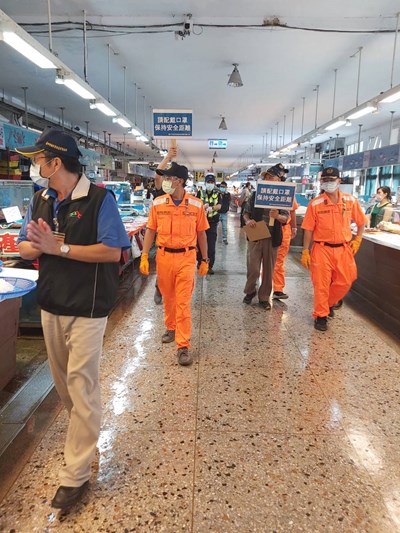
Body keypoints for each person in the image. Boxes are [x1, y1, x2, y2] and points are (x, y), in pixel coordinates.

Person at [16, 129, 130, 509]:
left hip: (88, 306)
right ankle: (85, 436)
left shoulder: (100, 200)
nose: (35, 166)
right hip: (51, 303)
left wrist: (58, 247)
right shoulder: (40, 199)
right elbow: (23, 244)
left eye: (38, 160)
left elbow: (113, 252)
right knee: (65, 386)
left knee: (81, 386)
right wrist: (39, 245)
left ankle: (75, 474)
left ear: (56, 162)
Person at [139, 161, 209, 366]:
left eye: (168, 178)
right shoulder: (158, 203)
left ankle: (183, 345)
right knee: (168, 297)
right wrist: (144, 255)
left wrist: (204, 259)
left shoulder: (196, 205)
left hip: (187, 258)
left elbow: (201, 233)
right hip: (163, 258)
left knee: (183, 302)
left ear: (179, 181)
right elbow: (151, 230)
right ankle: (170, 327)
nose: (165, 182)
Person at [301, 166, 366, 331]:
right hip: (322, 249)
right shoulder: (315, 203)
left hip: (344, 249)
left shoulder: (350, 201)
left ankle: (328, 303)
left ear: (339, 180)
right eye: (325, 180)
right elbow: (308, 229)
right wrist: (305, 250)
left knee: (346, 280)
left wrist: (358, 239)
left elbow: (361, 222)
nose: (328, 183)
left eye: (332, 180)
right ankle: (321, 315)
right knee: (321, 284)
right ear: (321, 182)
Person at [242, 167, 289, 310]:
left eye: (271, 177)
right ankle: (250, 291)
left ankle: (264, 297)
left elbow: (286, 217)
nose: (268, 179)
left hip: (273, 236)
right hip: (256, 232)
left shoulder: (283, 196)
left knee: (269, 270)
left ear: (279, 180)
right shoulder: (256, 194)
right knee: (253, 268)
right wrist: (248, 221)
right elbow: (246, 213)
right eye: (266, 177)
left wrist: (277, 216)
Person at [152, 146, 177, 304]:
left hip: (181, 242)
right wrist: (167, 157)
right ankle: (159, 287)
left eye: (171, 179)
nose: (168, 182)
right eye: (166, 179)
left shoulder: (183, 197)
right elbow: (157, 176)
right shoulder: (162, 194)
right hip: (163, 240)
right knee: (162, 269)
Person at [271, 164, 299, 300]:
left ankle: (277, 288)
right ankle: (266, 287)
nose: (281, 177)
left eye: (282, 174)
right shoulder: (265, 192)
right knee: (267, 259)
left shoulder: (288, 193)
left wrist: (294, 227)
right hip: (267, 229)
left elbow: (292, 211)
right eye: (279, 174)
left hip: (283, 230)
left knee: (279, 260)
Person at [197, 173, 222, 274]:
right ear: (205, 183)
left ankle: (209, 265)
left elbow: (220, 205)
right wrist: (202, 208)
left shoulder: (217, 193)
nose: (210, 184)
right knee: (200, 244)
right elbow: (196, 204)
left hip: (212, 223)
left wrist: (212, 208)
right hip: (201, 223)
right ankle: (200, 263)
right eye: (208, 182)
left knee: (211, 245)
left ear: (214, 183)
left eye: (212, 182)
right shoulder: (200, 192)